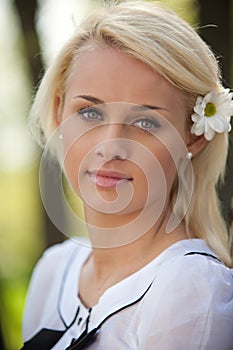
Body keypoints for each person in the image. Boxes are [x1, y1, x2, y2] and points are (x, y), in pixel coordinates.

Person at [21, 1, 233, 349]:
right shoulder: (54, 270)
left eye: (145, 122)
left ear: (192, 136)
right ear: (59, 112)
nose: (110, 146)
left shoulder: (191, 291)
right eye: (89, 112)